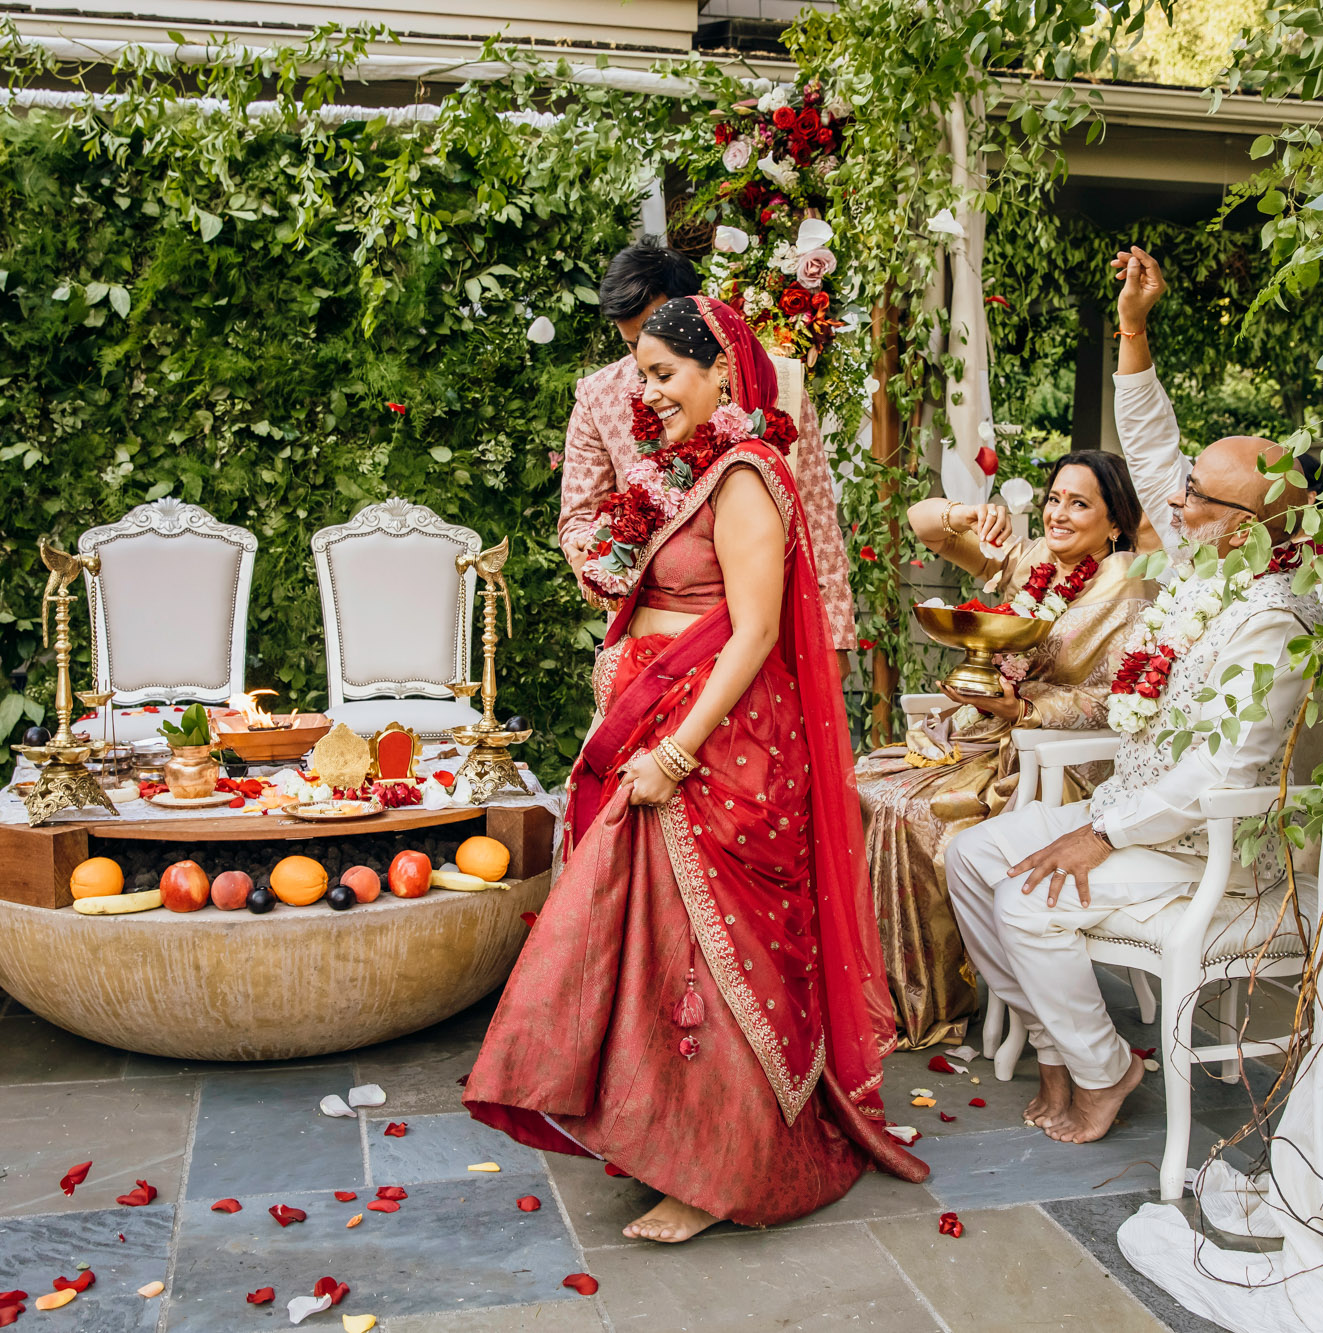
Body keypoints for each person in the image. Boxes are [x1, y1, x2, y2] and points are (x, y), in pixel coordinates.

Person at [465, 294, 927, 1242]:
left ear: (724, 371)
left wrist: (676, 753)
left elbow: (755, 631)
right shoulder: (696, 475)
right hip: (664, 730)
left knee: (716, 958)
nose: (649, 393)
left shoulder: (750, 477)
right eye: (643, 376)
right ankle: (664, 1136)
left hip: (719, 749)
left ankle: (723, 1168)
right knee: (653, 945)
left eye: (664, 374)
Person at [944, 246, 1322, 1143]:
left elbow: (1226, 769)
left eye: (1198, 498)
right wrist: (1133, 327)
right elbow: (1151, 446)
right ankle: (1062, 1045)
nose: (1176, 503)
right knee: (972, 858)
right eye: (1187, 490)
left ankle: (1107, 1070)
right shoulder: (1205, 559)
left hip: (1210, 847)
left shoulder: (1278, 619)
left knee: (1028, 900)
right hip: (1128, 805)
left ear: (1250, 527)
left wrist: (1101, 832)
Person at [854, 455, 1152, 1048]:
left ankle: (926, 996)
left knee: (913, 809)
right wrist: (965, 512)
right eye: (1054, 497)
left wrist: (1024, 711)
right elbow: (926, 527)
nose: (1058, 514)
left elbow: (1113, 702)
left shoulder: (1127, 581)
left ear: (1115, 521)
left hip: (1055, 757)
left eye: (1079, 503)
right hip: (980, 730)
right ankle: (864, 984)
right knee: (861, 783)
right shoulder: (1032, 560)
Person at [558, 238, 859, 664]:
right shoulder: (599, 396)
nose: (643, 354)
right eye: (631, 344)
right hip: (646, 648)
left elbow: (816, 518)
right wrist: (594, 557)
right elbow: (579, 517)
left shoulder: (774, 384)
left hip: (763, 634)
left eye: (656, 328)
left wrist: (834, 638)